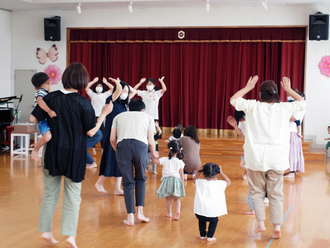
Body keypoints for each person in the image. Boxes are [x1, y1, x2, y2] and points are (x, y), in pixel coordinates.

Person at [30, 62, 113, 248]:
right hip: (74, 154)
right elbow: (92, 132)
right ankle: (70, 236)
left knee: (50, 193)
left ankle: (46, 230)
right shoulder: (84, 103)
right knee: (73, 195)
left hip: (52, 151)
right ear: (83, 81)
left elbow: (35, 118)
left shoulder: (51, 98)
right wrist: (103, 114)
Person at [230, 75, 306, 239]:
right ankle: (276, 226)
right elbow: (303, 103)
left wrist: (248, 88)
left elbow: (233, 99)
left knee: (256, 192)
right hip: (277, 158)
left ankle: (260, 224)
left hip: (255, 158)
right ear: (276, 93)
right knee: (276, 194)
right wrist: (289, 90)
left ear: (260, 95)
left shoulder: (252, 106)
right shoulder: (284, 108)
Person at [110, 98, 159, 226]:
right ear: (143, 109)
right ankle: (140, 213)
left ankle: (130, 217)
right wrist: (153, 153)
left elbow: (111, 139)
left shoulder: (118, 116)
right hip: (141, 148)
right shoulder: (148, 117)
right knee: (141, 179)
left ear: (129, 108)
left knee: (127, 183)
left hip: (122, 147)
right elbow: (150, 141)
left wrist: (118, 150)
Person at [95, 78, 139, 194]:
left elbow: (133, 91)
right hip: (111, 135)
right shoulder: (111, 100)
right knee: (110, 158)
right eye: (123, 91)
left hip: (120, 135)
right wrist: (117, 82)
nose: (124, 93)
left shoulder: (124, 105)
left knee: (120, 161)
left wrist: (126, 87)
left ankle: (117, 189)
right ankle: (99, 182)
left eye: (126, 91)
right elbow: (118, 89)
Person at [193, 163, 231, 242]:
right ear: (217, 174)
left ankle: (202, 235)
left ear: (203, 174)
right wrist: (222, 173)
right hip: (213, 213)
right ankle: (210, 236)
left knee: (201, 220)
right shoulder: (220, 184)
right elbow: (228, 181)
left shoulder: (199, 182)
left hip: (199, 212)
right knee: (214, 221)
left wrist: (199, 170)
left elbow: (194, 178)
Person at [154, 140, 185, 220]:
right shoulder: (180, 162)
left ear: (168, 150)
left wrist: (154, 155)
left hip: (167, 181)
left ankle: (169, 213)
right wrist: (182, 183)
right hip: (177, 181)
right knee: (176, 198)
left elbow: (155, 161)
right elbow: (181, 174)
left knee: (168, 198)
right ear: (179, 151)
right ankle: (177, 211)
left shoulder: (165, 159)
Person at [30, 72, 57, 162]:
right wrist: (49, 110)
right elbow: (40, 101)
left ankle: (37, 145)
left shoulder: (45, 92)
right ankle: (35, 149)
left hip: (46, 120)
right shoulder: (41, 91)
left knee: (49, 138)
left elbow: (47, 96)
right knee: (47, 137)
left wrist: (49, 88)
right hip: (43, 120)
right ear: (48, 81)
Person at [85, 76, 114, 156]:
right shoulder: (92, 94)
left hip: (102, 116)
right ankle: (93, 148)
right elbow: (86, 87)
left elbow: (113, 89)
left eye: (100, 86)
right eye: (97, 86)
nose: (99, 87)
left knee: (102, 133)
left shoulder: (105, 94)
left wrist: (106, 83)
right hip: (93, 116)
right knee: (93, 132)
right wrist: (94, 81)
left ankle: (102, 149)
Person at [284, 90, 306, 178]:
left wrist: (283, 117)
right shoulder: (295, 106)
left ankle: (292, 172)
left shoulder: (301, 107)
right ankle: (291, 170)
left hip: (293, 131)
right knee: (290, 151)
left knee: (292, 151)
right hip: (290, 130)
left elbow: (295, 118)